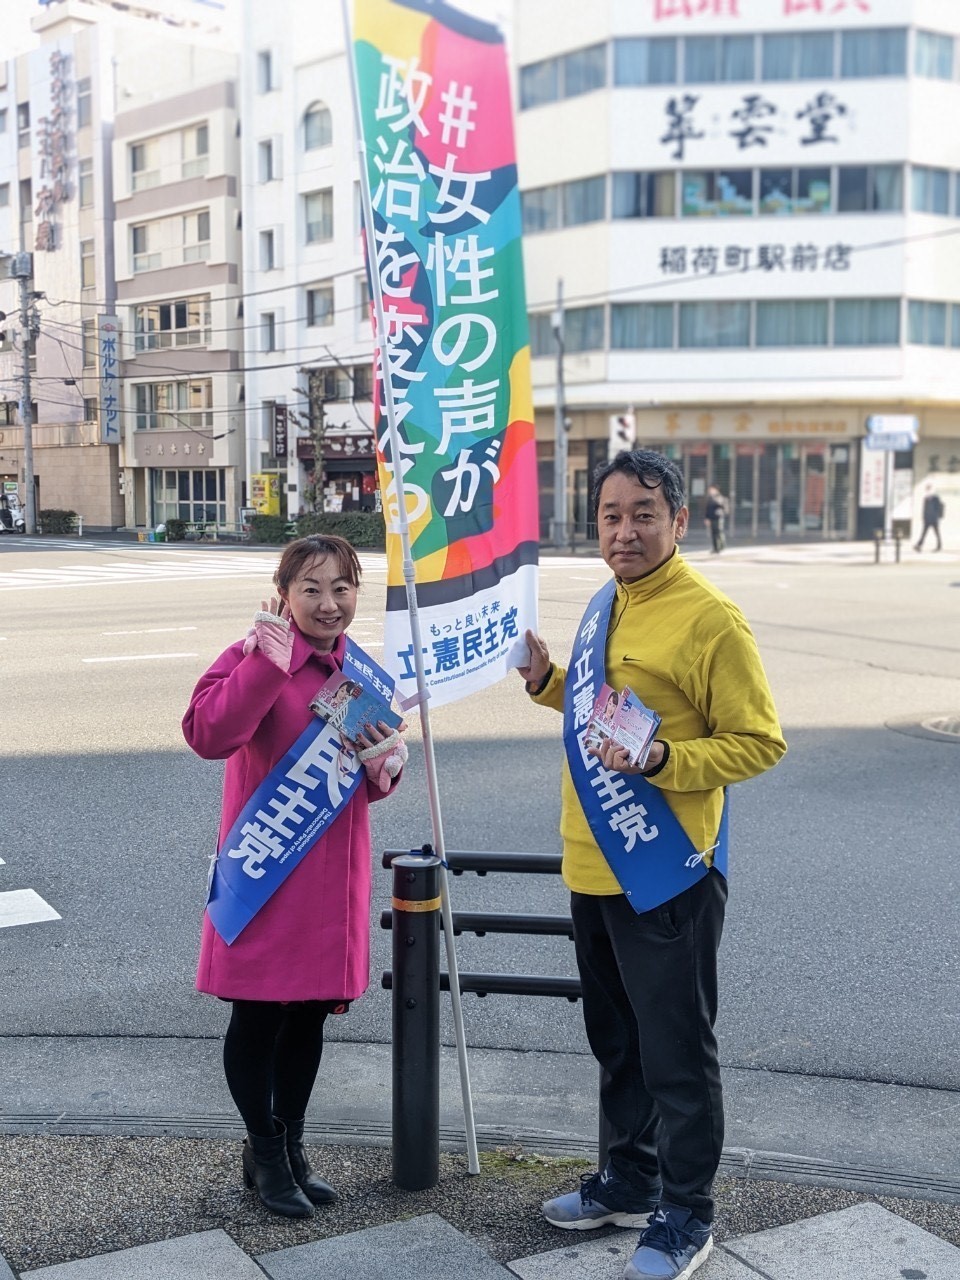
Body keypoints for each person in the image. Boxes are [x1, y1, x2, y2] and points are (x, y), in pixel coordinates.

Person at [519, 450, 786, 1280]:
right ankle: (628, 1180)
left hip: (666, 868)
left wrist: (666, 757)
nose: (624, 529)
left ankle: (686, 1214)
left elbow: (759, 741)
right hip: (590, 862)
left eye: (642, 513)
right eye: (610, 514)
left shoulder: (711, 619)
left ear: (678, 520)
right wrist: (546, 681)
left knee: (675, 1050)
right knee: (617, 1042)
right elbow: (599, 709)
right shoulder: (607, 601)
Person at [182, 534, 407, 1219]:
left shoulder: (358, 678)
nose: (328, 602)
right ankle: (265, 1150)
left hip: (329, 882)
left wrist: (384, 770)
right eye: (310, 588)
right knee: (256, 1016)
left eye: (342, 587)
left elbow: (361, 784)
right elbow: (207, 734)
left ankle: (291, 1146)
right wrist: (265, 665)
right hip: (264, 877)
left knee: (309, 1015)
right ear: (284, 595)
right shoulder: (254, 655)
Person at [914, 483, 944, 552]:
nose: (928, 490)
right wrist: (924, 517)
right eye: (927, 489)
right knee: (924, 533)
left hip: (934, 519)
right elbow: (924, 509)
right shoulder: (926, 498)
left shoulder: (936, 498)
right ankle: (919, 545)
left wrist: (937, 517)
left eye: (929, 489)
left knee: (937, 533)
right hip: (927, 519)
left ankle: (939, 546)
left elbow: (938, 508)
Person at [703, 484, 728, 554]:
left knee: (718, 532)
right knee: (713, 533)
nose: (710, 491)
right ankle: (715, 548)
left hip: (718, 518)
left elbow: (724, 508)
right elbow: (708, 509)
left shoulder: (720, 498)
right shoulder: (710, 498)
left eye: (712, 490)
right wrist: (707, 518)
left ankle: (720, 547)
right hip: (711, 518)